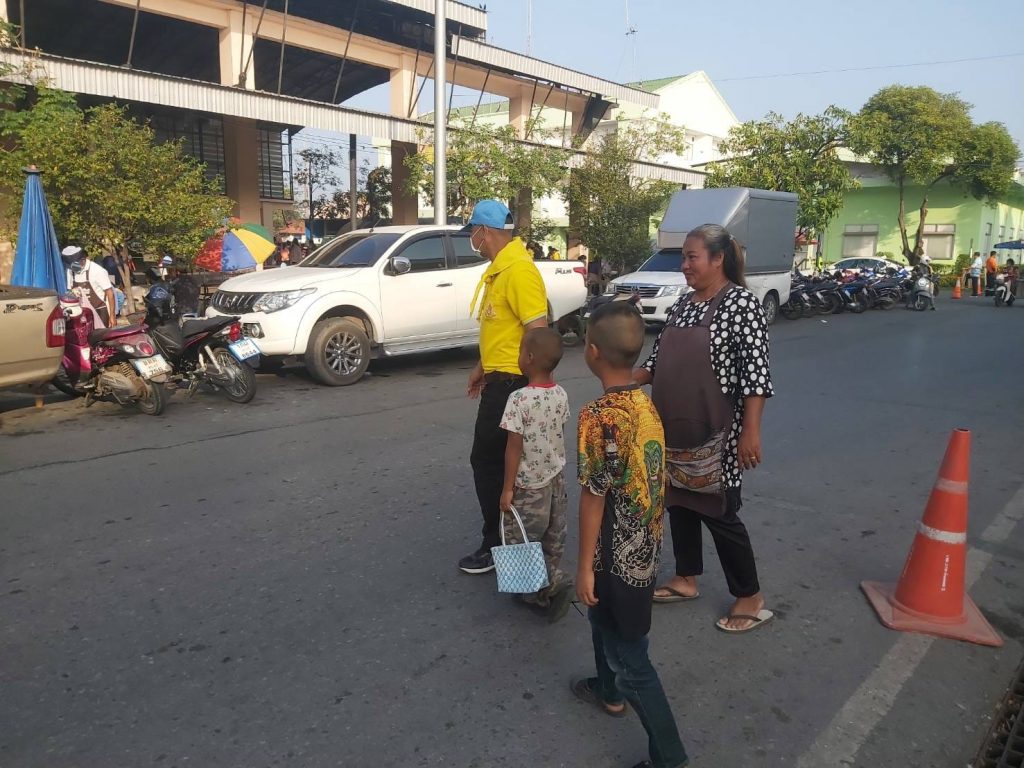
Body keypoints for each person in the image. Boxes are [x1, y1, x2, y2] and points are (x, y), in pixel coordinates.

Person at [634, 223, 774, 634]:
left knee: (720, 511)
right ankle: (686, 577)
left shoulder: (741, 305)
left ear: (718, 259)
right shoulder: (683, 304)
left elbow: (756, 377)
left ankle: (749, 595)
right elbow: (656, 362)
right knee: (679, 502)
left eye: (691, 257)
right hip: (671, 427)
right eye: (683, 257)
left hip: (718, 434)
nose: (684, 265)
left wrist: (751, 432)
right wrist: (622, 377)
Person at [572, 300, 689, 768]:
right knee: (604, 624)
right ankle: (608, 691)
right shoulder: (646, 404)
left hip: (615, 558)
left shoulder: (598, 416)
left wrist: (583, 566)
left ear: (593, 351)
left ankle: (671, 758)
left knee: (632, 662)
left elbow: (593, 496)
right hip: (646, 547)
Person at [459, 200, 549, 575]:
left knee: (491, 463)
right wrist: (482, 368)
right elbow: (504, 331)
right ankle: (505, 540)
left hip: (514, 386)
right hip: (500, 380)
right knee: (496, 464)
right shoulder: (501, 269)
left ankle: (498, 543)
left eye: (473, 231)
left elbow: (538, 333)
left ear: (485, 231)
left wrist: (535, 389)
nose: (472, 238)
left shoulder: (518, 272)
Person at [498, 327, 574, 622]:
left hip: (529, 484)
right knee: (553, 535)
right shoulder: (560, 393)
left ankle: (552, 583)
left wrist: (507, 489)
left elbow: (513, 447)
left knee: (521, 539)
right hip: (555, 477)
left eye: (520, 351)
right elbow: (558, 432)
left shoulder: (519, 399)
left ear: (528, 358)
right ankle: (538, 594)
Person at [62, 245, 116, 328]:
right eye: (69, 266)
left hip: (100, 311)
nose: (71, 268)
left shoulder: (97, 270)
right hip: (81, 312)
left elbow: (110, 293)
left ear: (82, 260)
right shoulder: (70, 271)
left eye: (73, 265)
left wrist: (112, 316)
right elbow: (70, 290)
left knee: (101, 335)